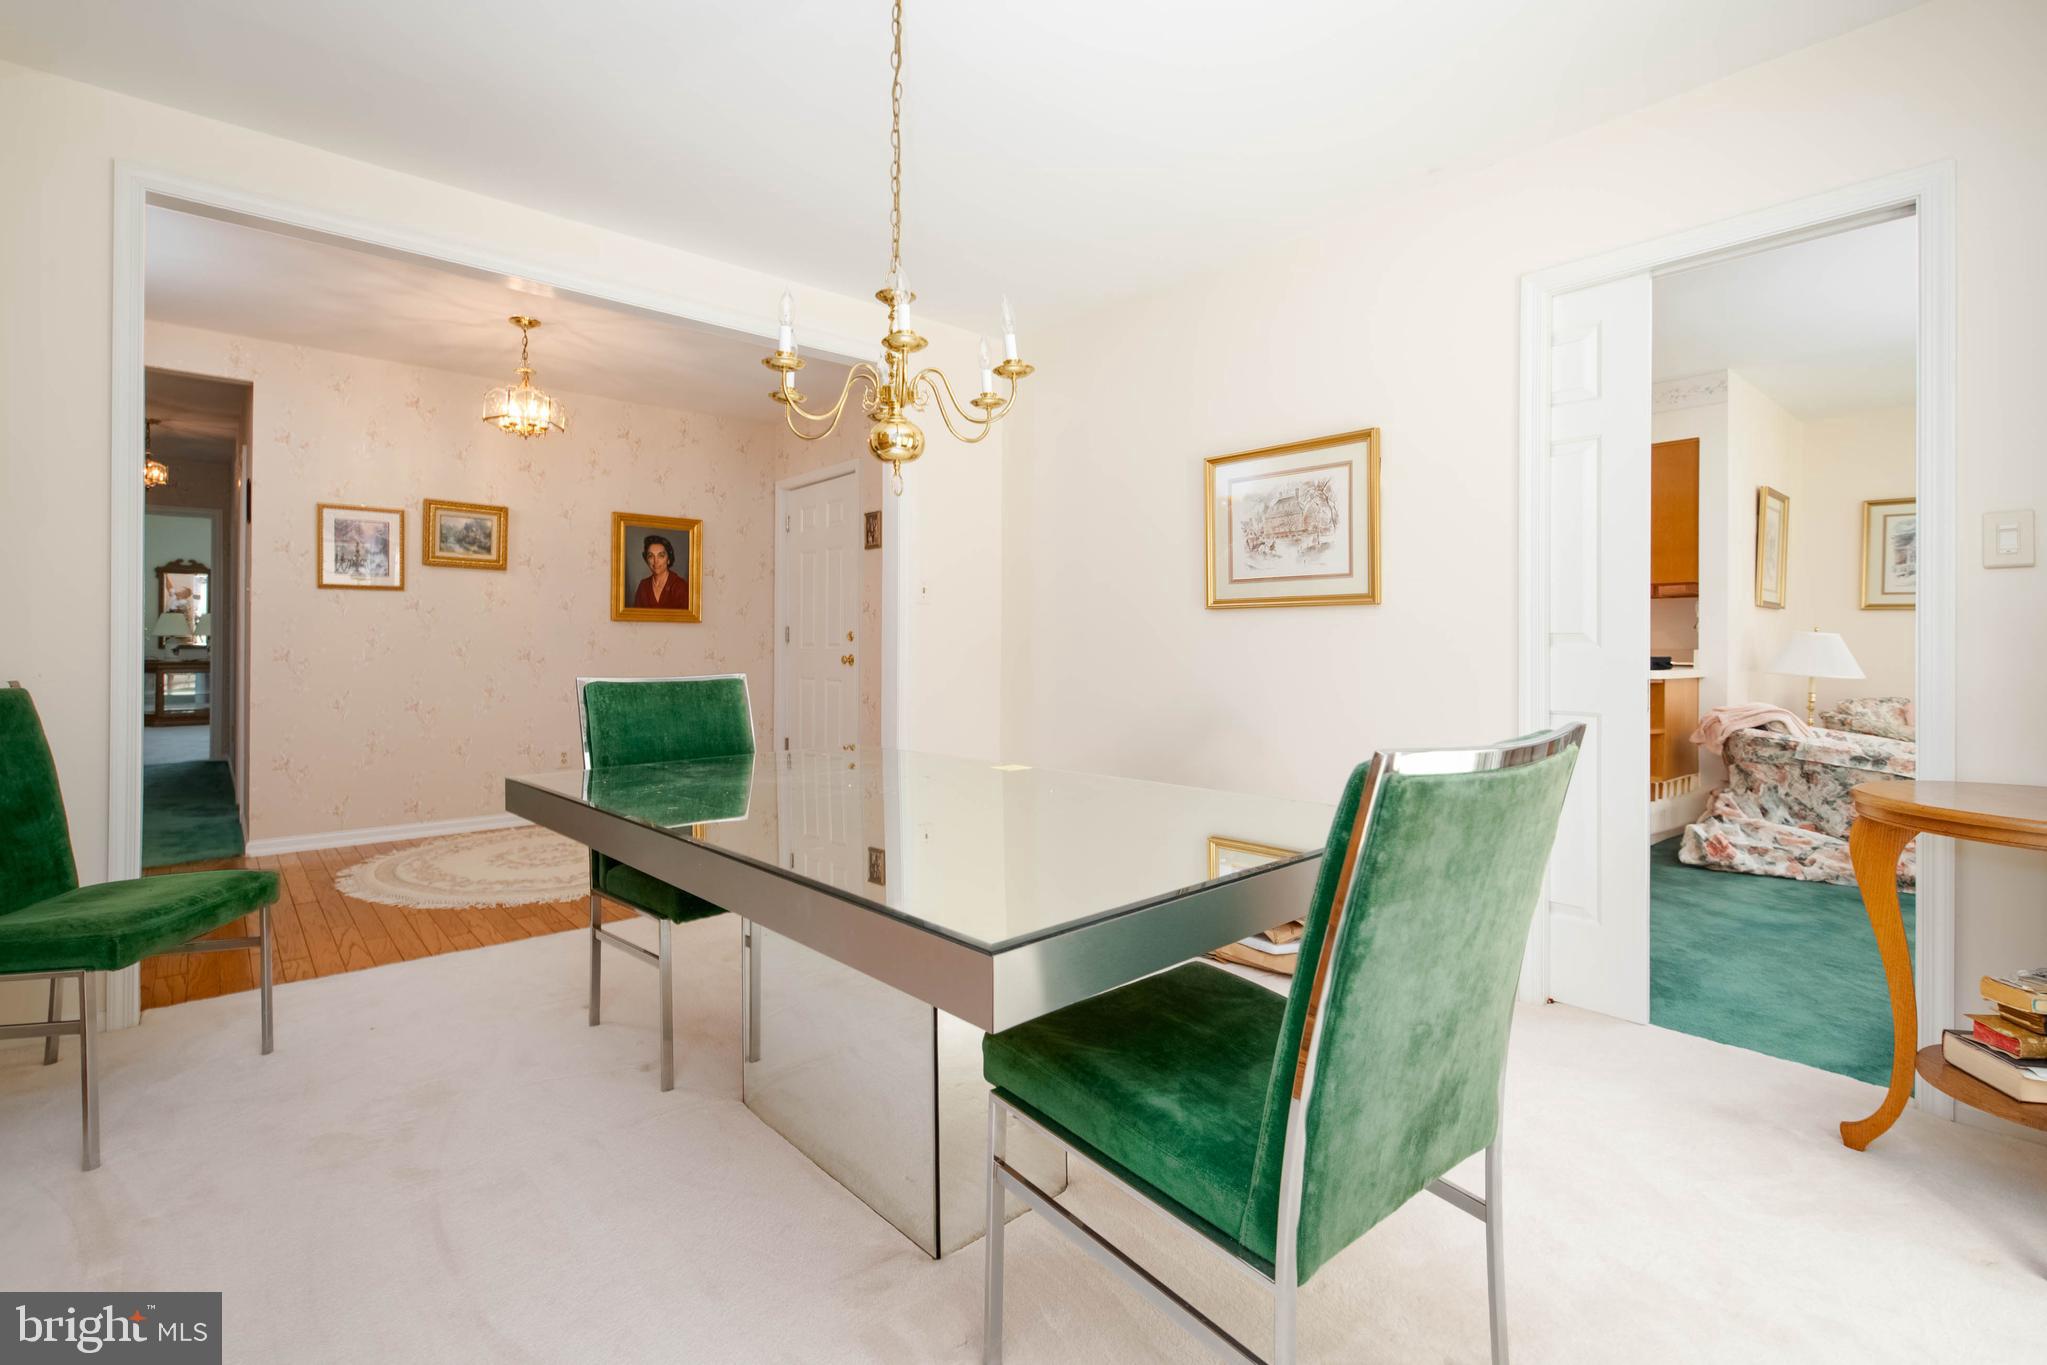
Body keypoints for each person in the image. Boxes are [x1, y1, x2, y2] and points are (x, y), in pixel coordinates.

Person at [632, 534, 690, 609]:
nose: (656, 561)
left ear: (668, 559)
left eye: (661, 555)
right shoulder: (643, 586)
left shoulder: (680, 586)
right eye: (651, 556)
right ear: (646, 560)